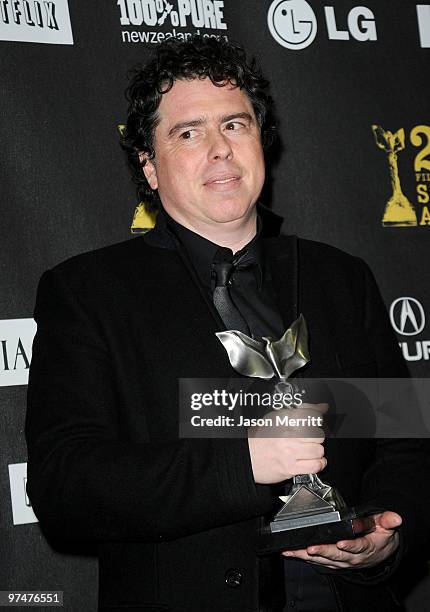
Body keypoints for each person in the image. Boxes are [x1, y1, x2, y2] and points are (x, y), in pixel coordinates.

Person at [26, 37, 428, 612]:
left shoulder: (341, 277)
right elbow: (66, 485)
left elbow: (404, 449)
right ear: (149, 166)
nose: (220, 150)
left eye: (235, 126)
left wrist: (383, 535)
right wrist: (242, 465)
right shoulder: (90, 293)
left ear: (261, 140)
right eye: (188, 133)